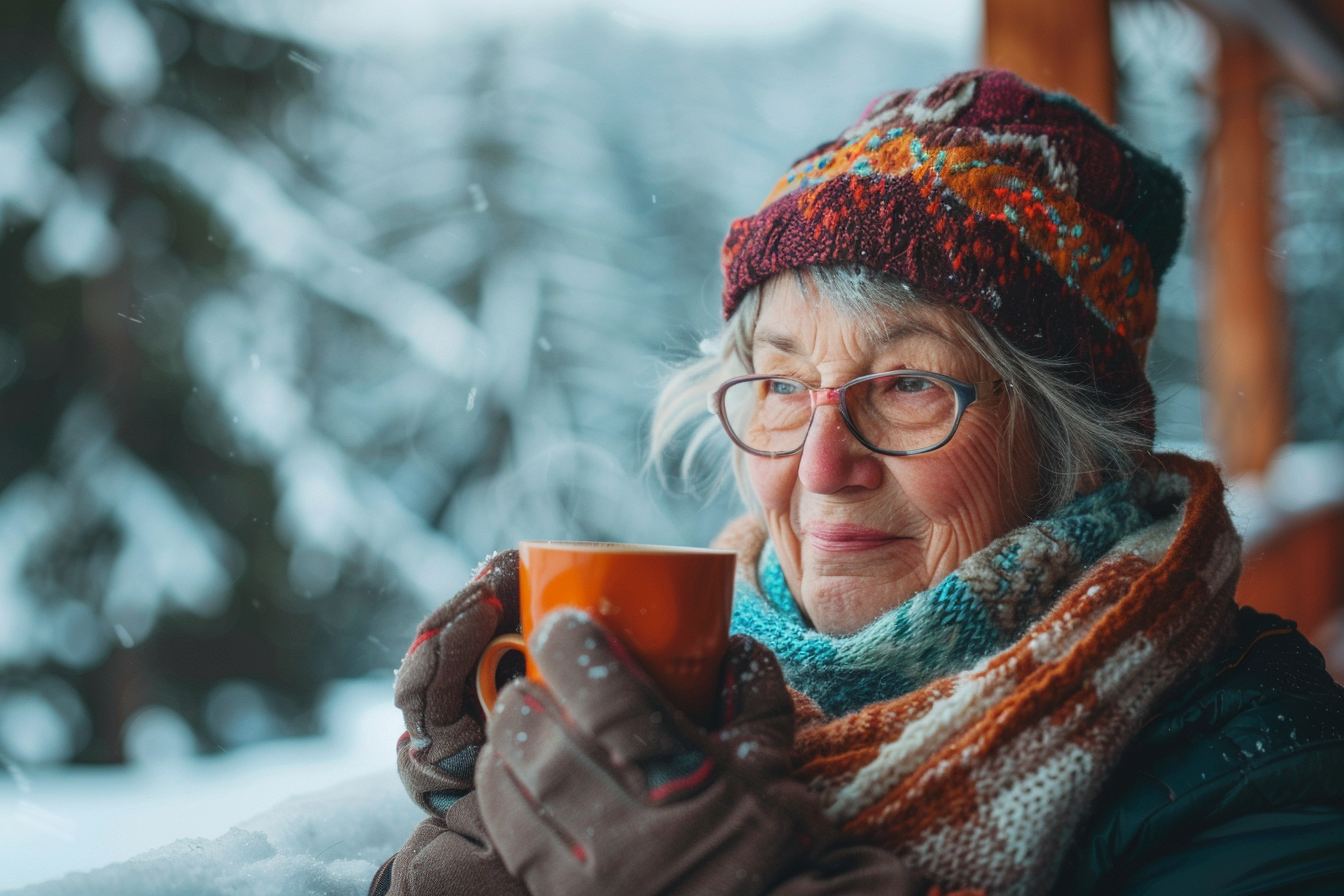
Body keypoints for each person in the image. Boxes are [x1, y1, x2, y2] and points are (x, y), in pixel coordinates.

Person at [370, 69, 1344, 896]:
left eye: (911, 383)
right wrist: (490, 823)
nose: (824, 464)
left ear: (1075, 441)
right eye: (784, 387)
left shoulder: (1260, 756)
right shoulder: (681, 694)